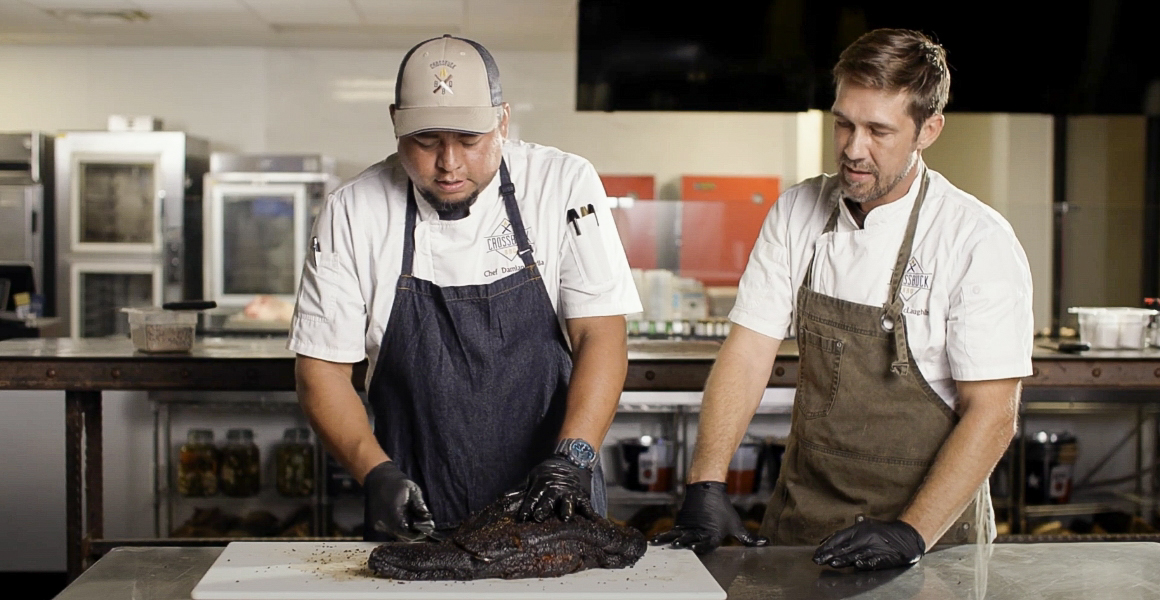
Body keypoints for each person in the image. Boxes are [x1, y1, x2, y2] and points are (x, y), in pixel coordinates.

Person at [653, 28, 1033, 571]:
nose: (854, 149)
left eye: (879, 131)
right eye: (844, 124)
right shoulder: (797, 211)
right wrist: (706, 481)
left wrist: (910, 533)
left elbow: (993, 413)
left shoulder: (976, 240)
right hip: (805, 516)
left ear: (929, 130)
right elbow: (748, 351)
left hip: (932, 537)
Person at [288, 34, 642, 541]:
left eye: (470, 140)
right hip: (415, 503)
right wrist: (375, 473)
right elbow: (320, 370)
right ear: (395, 122)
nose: (449, 162)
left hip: (552, 498)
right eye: (427, 141)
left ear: (502, 120)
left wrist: (574, 459)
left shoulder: (562, 185)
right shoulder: (354, 211)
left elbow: (601, 336)